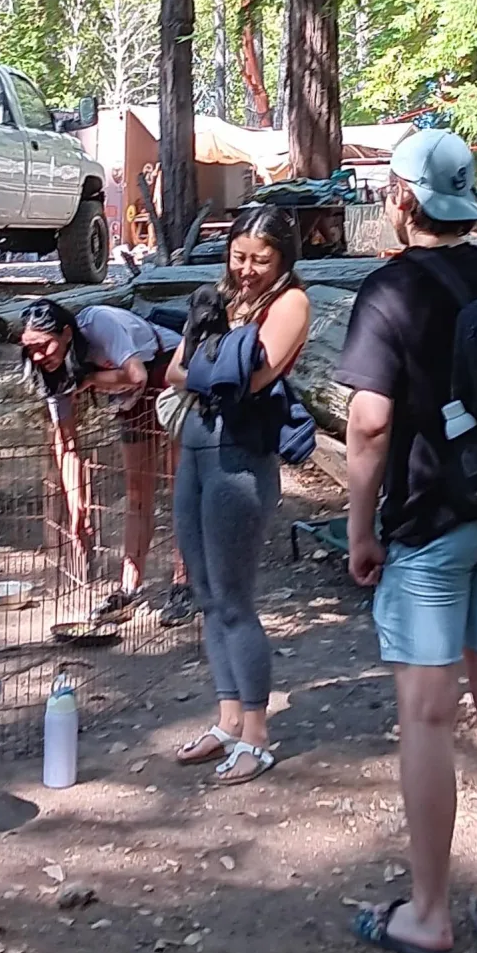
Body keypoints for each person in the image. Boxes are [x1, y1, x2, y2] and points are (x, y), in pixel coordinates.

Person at [336, 129, 477, 953]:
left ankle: (427, 913)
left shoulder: (390, 288)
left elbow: (369, 422)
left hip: (429, 528)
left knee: (427, 714)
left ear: (403, 200)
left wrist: (360, 526)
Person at [167, 206, 311, 785]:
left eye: (261, 260)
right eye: (239, 257)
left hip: (241, 461)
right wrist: (216, 361)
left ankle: (256, 735)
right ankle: (228, 720)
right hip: (196, 449)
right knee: (204, 593)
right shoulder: (221, 296)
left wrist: (210, 362)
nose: (246, 270)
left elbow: (249, 379)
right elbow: (176, 372)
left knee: (234, 599)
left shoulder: (291, 303)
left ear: (284, 260)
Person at [17, 300, 193, 626]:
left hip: (168, 373)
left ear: (66, 333)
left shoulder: (99, 323)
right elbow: (66, 443)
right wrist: (77, 507)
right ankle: (129, 588)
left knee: (180, 486)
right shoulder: (50, 372)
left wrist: (89, 379)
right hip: (129, 396)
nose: (38, 356)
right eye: (30, 350)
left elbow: (136, 374)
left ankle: (184, 584)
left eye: (43, 346)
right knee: (137, 492)